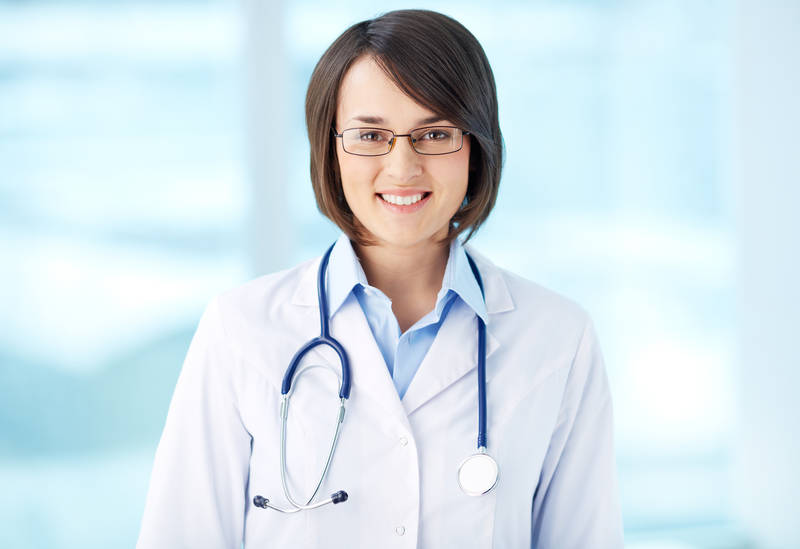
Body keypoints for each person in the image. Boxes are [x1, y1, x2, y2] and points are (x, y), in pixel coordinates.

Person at [136, 8, 623, 549]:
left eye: (434, 133)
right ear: (330, 148)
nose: (402, 167)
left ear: (476, 147)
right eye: (370, 135)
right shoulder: (240, 330)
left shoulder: (557, 340)